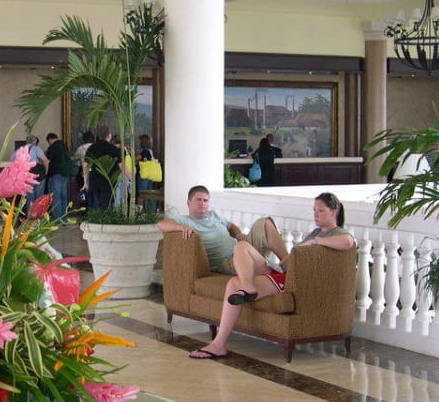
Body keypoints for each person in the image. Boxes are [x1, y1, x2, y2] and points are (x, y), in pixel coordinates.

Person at [189, 192, 356, 360]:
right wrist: (291, 255)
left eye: (320, 211)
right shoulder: (316, 231)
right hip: (282, 271)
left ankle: (218, 345)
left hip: (289, 280)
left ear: (333, 212)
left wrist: (315, 241)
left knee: (233, 283)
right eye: (314, 210)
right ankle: (247, 285)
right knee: (241, 246)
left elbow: (348, 242)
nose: (315, 215)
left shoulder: (336, 233)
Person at [156, 185, 286, 275]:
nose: (202, 203)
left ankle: (286, 262)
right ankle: (276, 271)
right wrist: (181, 227)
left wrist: (238, 234)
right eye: (198, 200)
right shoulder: (185, 221)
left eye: (205, 200)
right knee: (242, 249)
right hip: (225, 262)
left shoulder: (214, 215)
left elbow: (230, 226)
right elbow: (161, 224)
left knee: (264, 223)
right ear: (188, 203)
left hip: (242, 248)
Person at [84, 125, 121, 211]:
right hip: (109, 182)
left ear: (99, 136)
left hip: (94, 181)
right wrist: (131, 175)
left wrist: (86, 182)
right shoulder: (113, 149)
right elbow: (121, 166)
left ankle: (94, 219)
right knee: (107, 207)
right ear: (109, 135)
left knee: (94, 206)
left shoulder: (91, 148)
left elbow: (86, 166)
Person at [12, 135, 48, 213]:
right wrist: (46, 172)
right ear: (35, 141)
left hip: (27, 175)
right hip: (39, 176)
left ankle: (30, 216)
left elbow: (12, 158)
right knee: (39, 198)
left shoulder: (21, 149)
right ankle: (37, 217)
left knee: (29, 198)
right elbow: (45, 160)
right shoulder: (36, 148)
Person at [44, 132, 72, 222]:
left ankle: (57, 220)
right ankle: (64, 218)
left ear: (50, 140)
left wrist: (46, 172)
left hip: (55, 174)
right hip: (65, 175)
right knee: (63, 197)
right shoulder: (64, 146)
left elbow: (47, 160)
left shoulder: (53, 147)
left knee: (56, 197)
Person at [136, 134, 157, 211]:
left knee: (142, 194)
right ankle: (150, 211)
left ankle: (140, 211)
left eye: (140, 141)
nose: (139, 143)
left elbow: (135, 159)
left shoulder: (144, 151)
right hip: (149, 176)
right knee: (149, 194)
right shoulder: (150, 151)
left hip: (143, 176)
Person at [74, 131, 95, 208]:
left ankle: (87, 209)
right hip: (95, 172)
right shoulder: (95, 147)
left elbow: (76, 160)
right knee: (94, 193)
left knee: (86, 192)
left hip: (83, 171)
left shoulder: (81, 148)